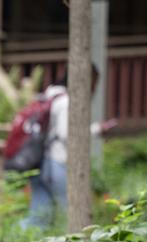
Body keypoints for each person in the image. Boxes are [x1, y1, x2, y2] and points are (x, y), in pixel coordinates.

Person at [20, 67, 116, 230]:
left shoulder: (51, 94)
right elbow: (68, 135)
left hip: (40, 162)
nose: (94, 88)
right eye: (93, 83)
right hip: (56, 162)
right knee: (70, 210)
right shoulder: (66, 102)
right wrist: (97, 129)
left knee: (39, 216)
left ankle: (17, 240)